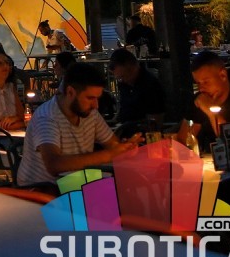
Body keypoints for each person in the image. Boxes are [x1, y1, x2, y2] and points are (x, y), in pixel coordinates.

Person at [17, 62, 142, 192]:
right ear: (70, 92)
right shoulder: (47, 117)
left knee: (129, 187)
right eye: (90, 98)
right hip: (42, 190)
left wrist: (124, 148)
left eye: (97, 98)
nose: (96, 105)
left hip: (74, 183)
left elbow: (112, 144)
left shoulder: (89, 113)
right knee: (115, 193)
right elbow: (54, 164)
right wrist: (109, 154)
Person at [108, 48, 166, 135]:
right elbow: (123, 109)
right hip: (125, 131)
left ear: (131, 67)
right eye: (119, 78)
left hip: (141, 135)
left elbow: (155, 122)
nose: (122, 80)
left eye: (123, 76)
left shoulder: (150, 85)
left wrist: (126, 126)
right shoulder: (125, 84)